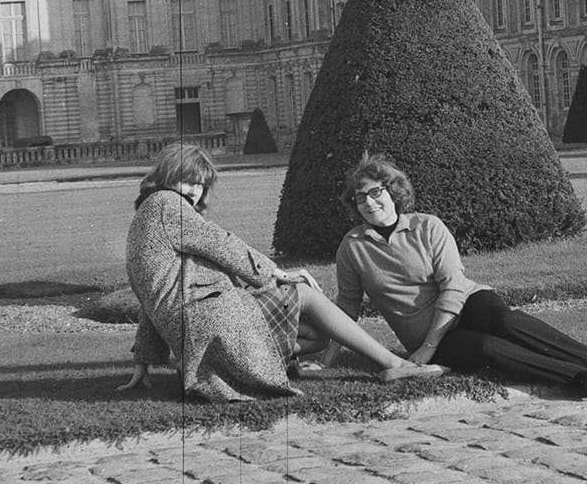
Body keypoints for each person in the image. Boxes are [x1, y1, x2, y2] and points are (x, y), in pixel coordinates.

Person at [122, 143, 445, 403]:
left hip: (194, 330)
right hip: (207, 319)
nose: (194, 191)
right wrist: (276, 272)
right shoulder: (167, 203)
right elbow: (221, 243)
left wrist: (144, 359)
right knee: (305, 294)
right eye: (188, 180)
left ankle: (253, 363)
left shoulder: (147, 216)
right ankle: (395, 364)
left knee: (316, 334)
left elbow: (151, 295)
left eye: (201, 184)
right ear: (168, 176)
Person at [328, 155, 587, 402]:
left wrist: (429, 347)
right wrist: (327, 359)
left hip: (465, 303)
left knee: (505, 322)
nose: (369, 202)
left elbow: (452, 286)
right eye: (360, 198)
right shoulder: (352, 247)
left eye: (375, 192)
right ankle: (582, 378)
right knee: (486, 348)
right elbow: (346, 308)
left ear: (392, 191)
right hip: (426, 332)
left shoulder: (428, 226)